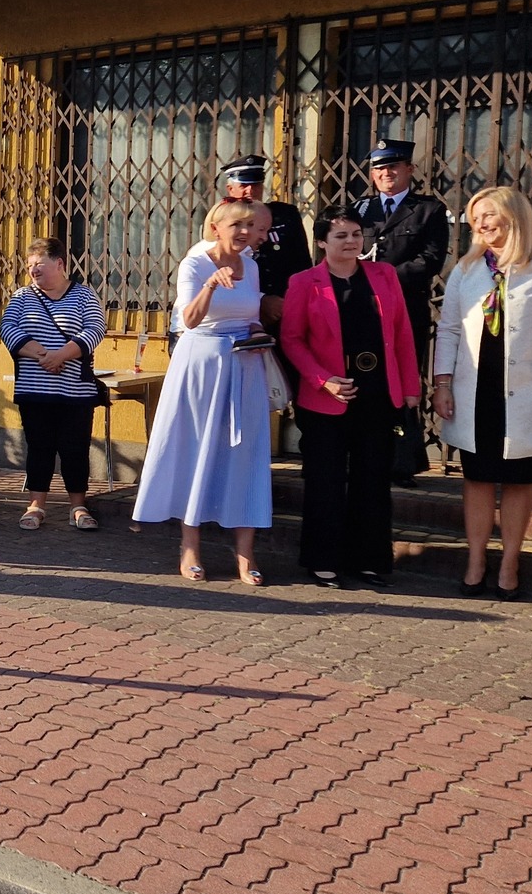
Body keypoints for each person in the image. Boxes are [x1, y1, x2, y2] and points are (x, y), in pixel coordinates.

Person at [433, 186, 532, 600]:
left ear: (514, 217)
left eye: (488, 214)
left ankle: (511, 562)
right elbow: (448, 330)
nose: (480, 223)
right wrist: (442, 384)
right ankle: (476, 560)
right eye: (475, 216)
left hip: (528, 395)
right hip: (474, 391)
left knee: (518, 482)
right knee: (477, 479)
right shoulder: (467, 269)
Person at [132, 201, 274, 585]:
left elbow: (251, 315)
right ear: (216, 225)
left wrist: (258, 334)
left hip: (245, 368)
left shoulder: (253, 264)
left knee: (246, 455)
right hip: (201, 366)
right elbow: (190, 320)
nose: (244, 232)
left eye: (250, 224)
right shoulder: (195, 263)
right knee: (196, 451)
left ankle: (245, 553)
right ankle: (189, 546)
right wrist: (211, 284)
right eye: (236, 224)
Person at [279, 207, 421, 588]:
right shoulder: (304, 282)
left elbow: (403, 334)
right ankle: (322, 559)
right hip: (327, 397)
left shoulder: (384, 274)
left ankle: (370, 560)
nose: (352, 242)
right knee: (325, 481)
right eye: (341, 236)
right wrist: (322, 379)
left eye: (357, 234)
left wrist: (410, 388)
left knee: (372, 480)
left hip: (378, 394)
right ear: (323, 241)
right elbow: (292, 339)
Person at [357, 138, 452, 482]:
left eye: (393, 166)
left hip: (404, 309)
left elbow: (430, 260)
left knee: (402, 382)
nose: (386, 173)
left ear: (409, 169)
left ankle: (402, 460)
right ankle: (364, 454)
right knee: (364, 379)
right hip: (362, 309)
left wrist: (383, 279)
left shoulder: (429, 210)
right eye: (380, 168)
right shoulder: (361, 209)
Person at [0, 238, 105, 531]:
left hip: (76, 392)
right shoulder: (21, 297)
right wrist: (45, 356)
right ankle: (36, 504)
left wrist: (60, 356)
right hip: (35, 390)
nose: (33, 271)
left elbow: (95, 329)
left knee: (75, 448)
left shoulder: (84, 296)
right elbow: (7, 327)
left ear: (59, 264)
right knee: (39, 447)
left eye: (39, 264)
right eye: (29, 266)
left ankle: (78, 506)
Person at [219, 156, 311, 325]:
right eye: (244, 185)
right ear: (230, 189)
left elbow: (302, 263)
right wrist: (261, 300)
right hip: (241, 312)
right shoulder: (223, 222)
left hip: (286, 308)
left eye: (256, 185)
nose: (250, 191)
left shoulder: (286, 215)